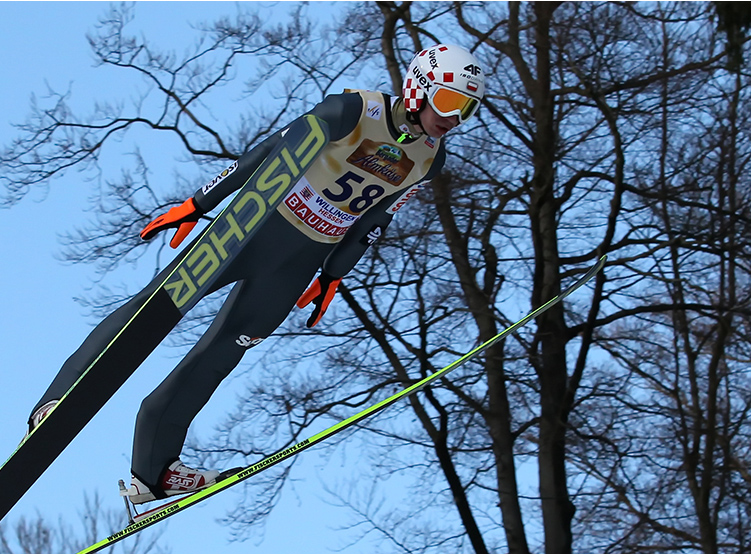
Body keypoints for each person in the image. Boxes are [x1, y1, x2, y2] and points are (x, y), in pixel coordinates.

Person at [29, 44, 486, 505]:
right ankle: (60, 400)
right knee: (155, 308)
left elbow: (375, 219)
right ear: (419, 87)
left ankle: (155, 469)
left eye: (466, 109)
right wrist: (200, 203)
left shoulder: (431, 158)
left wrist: (333, 276)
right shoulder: (354, 109)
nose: (453, 117)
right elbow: (272, 151)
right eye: (448, 101)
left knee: (220, 355)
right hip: (255, 227)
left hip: (298, 261)